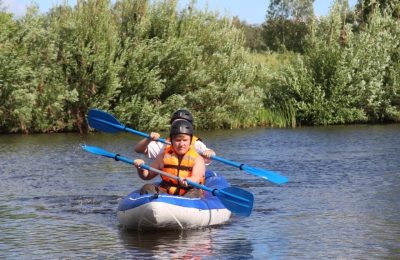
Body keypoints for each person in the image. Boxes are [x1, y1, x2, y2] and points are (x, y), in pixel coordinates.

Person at [133, 119, 205, 198]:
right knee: (147, 187)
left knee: (195, 193)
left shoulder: (198, 159)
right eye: (177, 140)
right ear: (171, 141)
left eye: (185, 140)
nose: (181, 144)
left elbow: (196, 178)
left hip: (189, 191)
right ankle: (157, 202)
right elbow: (147, 176)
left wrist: (188, 180)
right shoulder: (162, 157)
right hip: (166, 191)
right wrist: (141, 168)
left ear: (190, 141)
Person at [134, 109, 215, 163]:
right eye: (176, 124)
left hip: (191, 183)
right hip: (170, 183)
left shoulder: (196, 144)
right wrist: (149, 139)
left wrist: (210, 152)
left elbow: (211, 154)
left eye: (183, 123)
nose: (180, 127)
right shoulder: (164, 144)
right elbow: (138, 149)